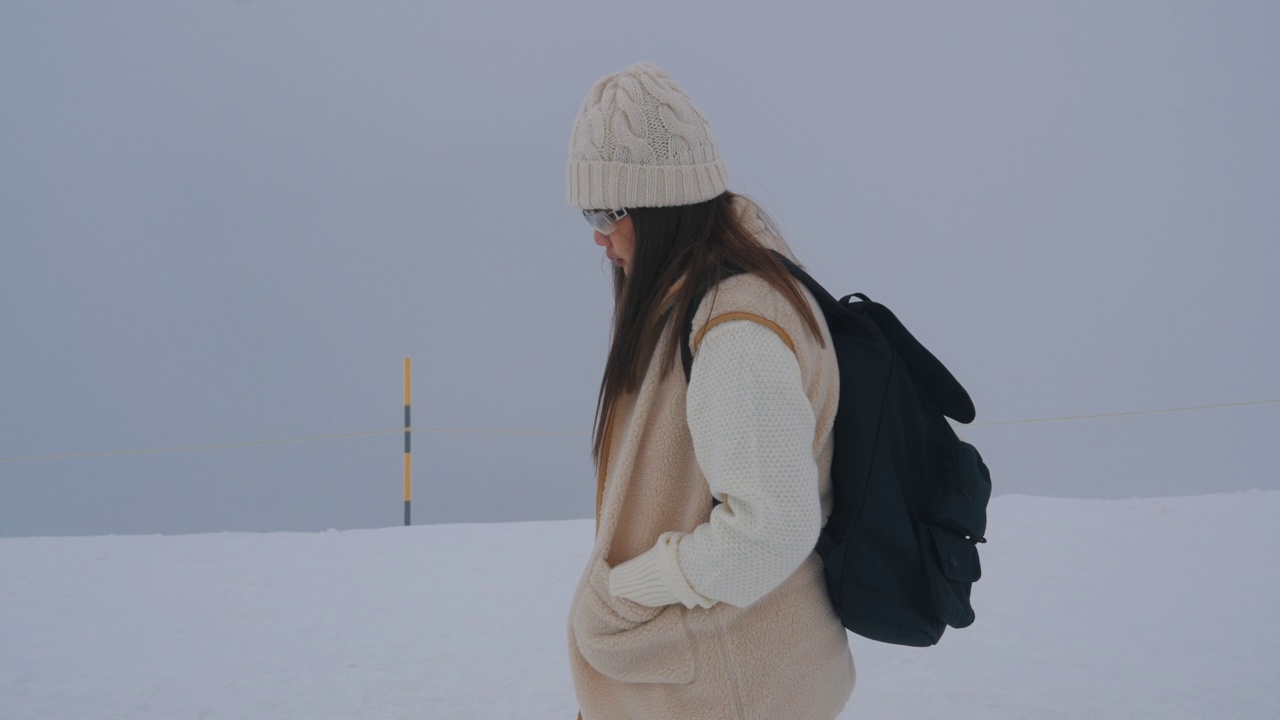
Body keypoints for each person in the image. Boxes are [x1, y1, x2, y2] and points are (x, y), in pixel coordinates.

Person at [565, 62, 855, 720]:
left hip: (725, 690)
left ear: (661, 206)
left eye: (607, 212)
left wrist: (626, 597)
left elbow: (770, 529)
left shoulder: (735, 332)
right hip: (707, 679)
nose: (598, 236)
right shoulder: (705, 301)